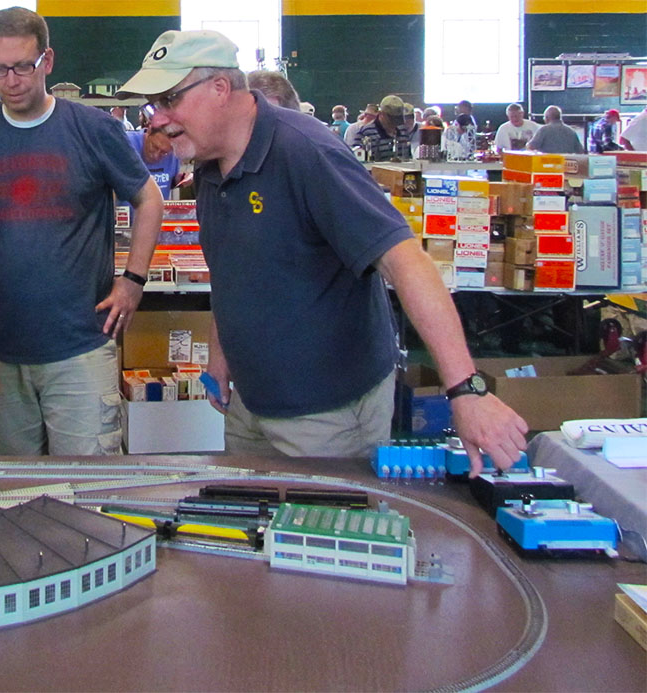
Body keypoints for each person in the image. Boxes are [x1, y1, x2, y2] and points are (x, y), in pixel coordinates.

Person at [117, 29, 528, 475]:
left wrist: (464, 390)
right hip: (249, 405)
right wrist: (221, 354)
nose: (155, 120)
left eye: (168, 100)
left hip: (327, 414)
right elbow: (234, 272)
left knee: (324, 532)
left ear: (219, 89)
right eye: (152, 105)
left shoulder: (307, 153)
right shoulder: (209, 166)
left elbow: (406, 261)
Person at [0, 7, 164, 456]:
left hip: (79, 347)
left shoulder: (95, 130)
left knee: (88, 492)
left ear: (48, 60)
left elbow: (149, 199)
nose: (12, 80)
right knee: (11, 496)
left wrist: (133, 281)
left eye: (24, 66)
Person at [355, 95, 412, 161]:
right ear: (381, 114)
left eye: (398, 118)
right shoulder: (365, 133)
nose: (395, 123)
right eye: (392, 118)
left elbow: (408, 157)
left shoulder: (403, 130)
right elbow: (357, 162)